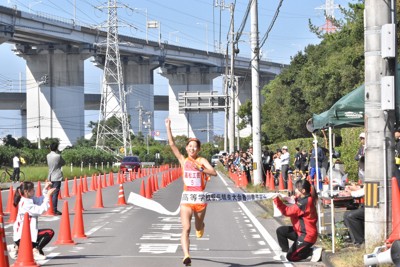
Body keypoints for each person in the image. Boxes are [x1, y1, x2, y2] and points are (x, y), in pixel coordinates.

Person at [165, 118, 217, 266]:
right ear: (186, 148)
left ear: (198, 149)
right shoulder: (183, 160)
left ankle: (201, 226)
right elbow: (172, 144)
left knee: (197, 227)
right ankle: (186, 255)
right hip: (187, 199)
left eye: (195, 147)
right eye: (190, 146)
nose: (192, 149)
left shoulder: (201, 160)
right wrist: (168, 127)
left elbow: (213, 173)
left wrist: (201, 169)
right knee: (186, 228)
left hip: (200, 199)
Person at [273, 179, 322, 262]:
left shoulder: (305, 202)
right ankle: (286, 253)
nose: (295, 190)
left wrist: (277, 200)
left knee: (291, 257)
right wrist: (292, 198)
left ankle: (311, 251)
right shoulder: (304, 198)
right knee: (281, 231)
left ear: (303, 191)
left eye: (297, 189)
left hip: (307, 235)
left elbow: (288, 212)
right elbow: (298, 203)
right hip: (299, 232)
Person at [8, 181, 56, 261]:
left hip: (25, 234)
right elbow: (40, 210)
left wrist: (45, 189)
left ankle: (16, 248)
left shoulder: (29, 198)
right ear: (26, 191)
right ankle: (34, 251)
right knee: (49, 233)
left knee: (41, 251)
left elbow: (40, 200)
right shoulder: (25, 203)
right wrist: (48, 195)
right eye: (33, 189)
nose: (34, 191)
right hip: (23, 236)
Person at [46, 142, 65, 215]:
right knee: (55, 194)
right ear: (57, 148)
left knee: (50, 192)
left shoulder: (47, 156)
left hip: (50, 175)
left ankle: (49, 208)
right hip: (57, 176)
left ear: (50, 148)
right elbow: (63, 163)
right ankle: (54, 209)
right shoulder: (58, 156)